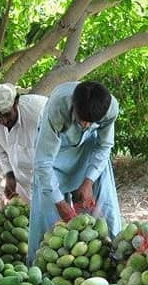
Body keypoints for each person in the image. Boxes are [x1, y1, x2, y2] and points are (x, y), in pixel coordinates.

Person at [27, 81, 122, 264]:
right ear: (73, 105)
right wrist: (60, 203)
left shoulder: (110, 108)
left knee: (105, 204)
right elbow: (43, 162)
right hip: (56, 152)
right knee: (47, 213)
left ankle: (115, 258)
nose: (86, 125)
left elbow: (104, 146)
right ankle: (41, 267)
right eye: (82, 120)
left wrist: (88, 180)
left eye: (91, 122)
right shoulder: (57, 107)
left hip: (88, 149)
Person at [0, 83, 47, 202]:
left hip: (51, 180)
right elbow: (0, 154)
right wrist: (9, 175)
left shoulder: (39, 112)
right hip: (23, 184)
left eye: (7, 114)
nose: (3, 121)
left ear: (16, 102)